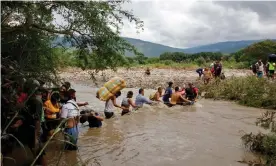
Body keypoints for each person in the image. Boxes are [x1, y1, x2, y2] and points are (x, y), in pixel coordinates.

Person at [11, 79, 47, 165]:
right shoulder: (28, 100)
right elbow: (25, 116)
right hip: (26, 130)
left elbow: (37, 121)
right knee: (28, 154)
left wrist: (36, 139)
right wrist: (18, 122)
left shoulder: (37, 101)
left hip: (34, 131)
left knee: (39, 154)